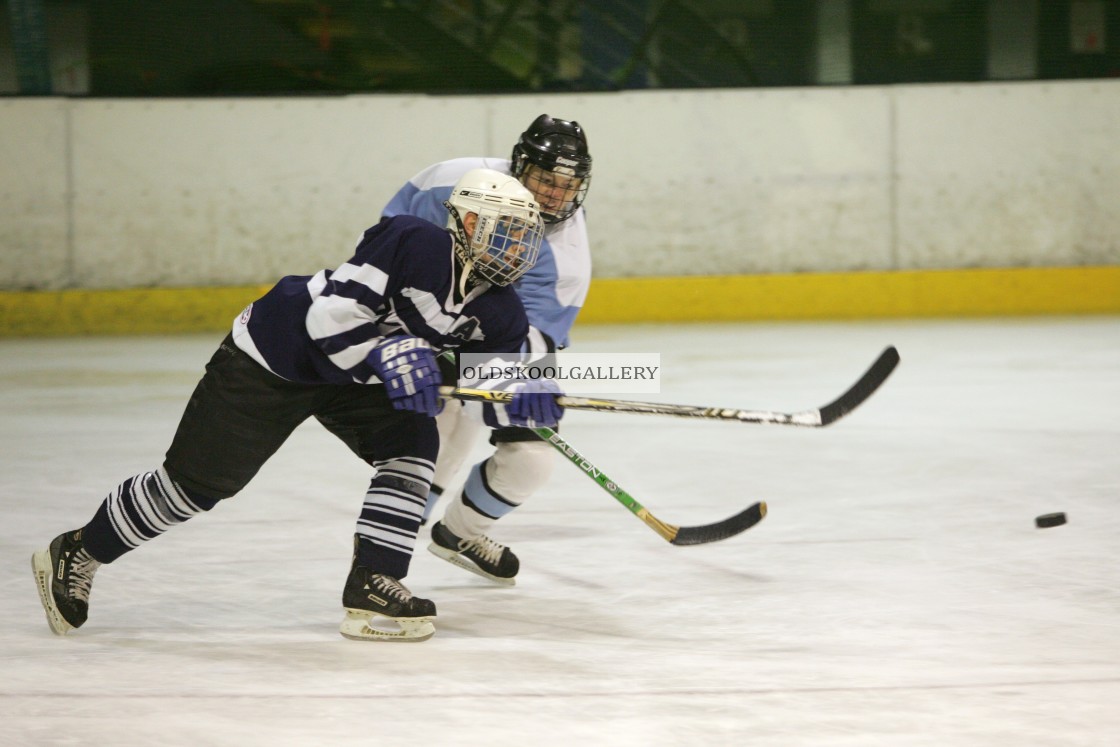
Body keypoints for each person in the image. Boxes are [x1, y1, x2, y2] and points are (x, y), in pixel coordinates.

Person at [31, 169, 562, 643]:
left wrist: (521, 395)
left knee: (414, 444)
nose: (518, 247)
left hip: (353, 378)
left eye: (525, 236)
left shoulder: (501, 310)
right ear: (467, 221)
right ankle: (80, 549)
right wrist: (386, 353)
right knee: (196, 486)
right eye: (508, 230)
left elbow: (481, 391)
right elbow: (327, 320)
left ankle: (374, 580)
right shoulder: (413, 241)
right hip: (275, 356)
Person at [381, 114, 593, 586]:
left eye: (568, 184)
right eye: (545, 179)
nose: (556, 194)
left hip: (501, 327)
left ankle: (460, 534)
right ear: (520, 166)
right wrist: (408, 334)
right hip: (424, 312)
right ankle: (382, 562)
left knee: (531, 461)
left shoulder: (566, 252)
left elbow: (536, 328)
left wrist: (526, 376)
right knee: (441, 428)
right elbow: (383, 252)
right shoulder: (448, 183)